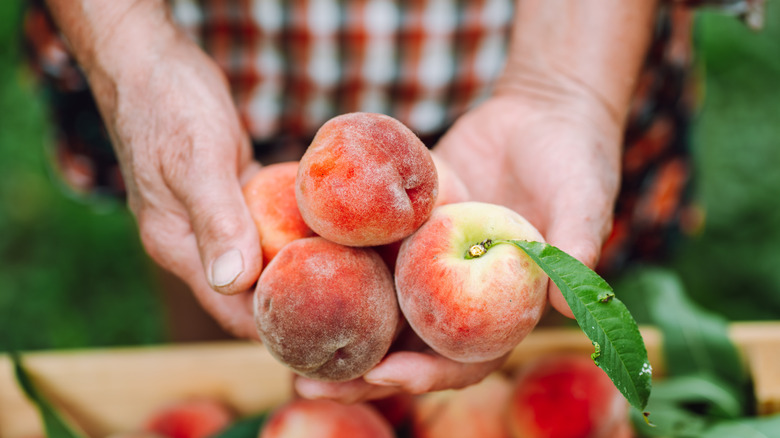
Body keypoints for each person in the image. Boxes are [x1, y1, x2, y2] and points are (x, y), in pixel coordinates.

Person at [25, 0, 761, 403]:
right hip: (227, 47)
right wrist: (133, 49)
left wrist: (568, 85)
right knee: (220, 252)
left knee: (536, 360)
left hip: (552, 40)